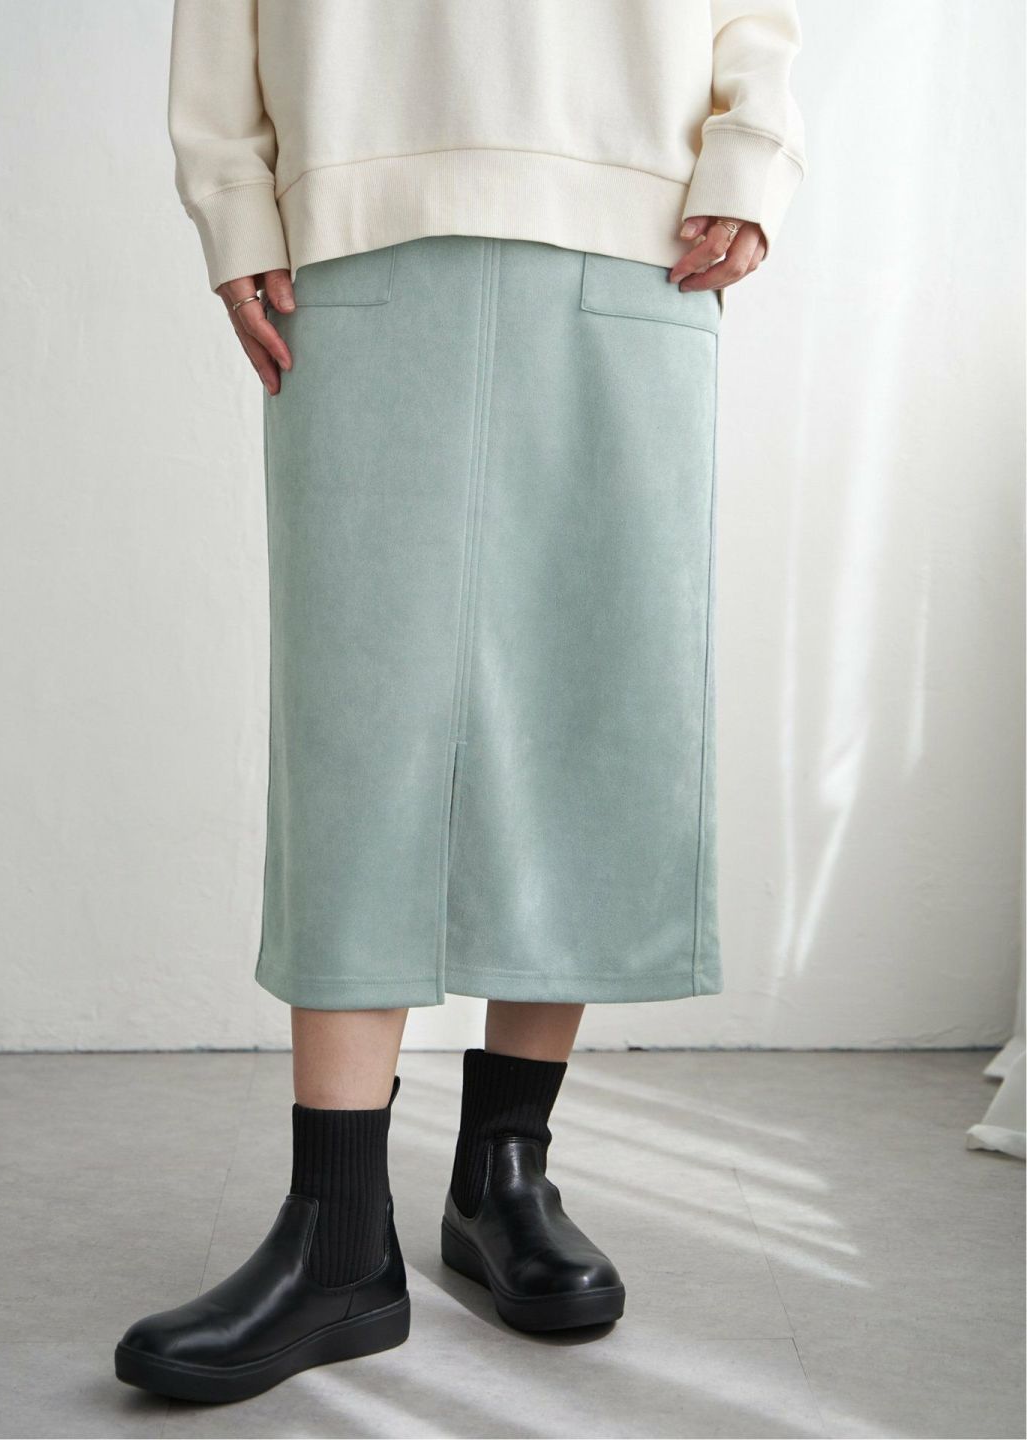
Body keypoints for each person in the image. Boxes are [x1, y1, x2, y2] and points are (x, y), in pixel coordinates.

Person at [115, 0, 807, 1405]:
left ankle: (506, 1172)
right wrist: (233, 195)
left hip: (635, 221)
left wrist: (753, 149)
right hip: (356, 206)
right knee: (357, 729)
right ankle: (339, 1234)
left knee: (590, 712)